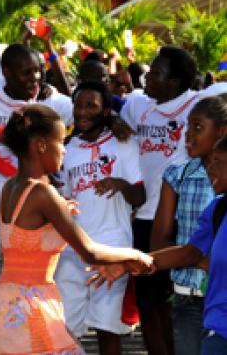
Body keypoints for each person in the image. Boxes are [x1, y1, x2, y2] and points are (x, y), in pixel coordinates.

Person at [0, 104, 153, 355]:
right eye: (60, 142)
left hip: (3, 308)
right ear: (41, 145)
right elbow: (89, 252)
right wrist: (135, 255)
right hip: (29, 312)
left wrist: (59, 211)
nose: (64, 151)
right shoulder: (42, 193)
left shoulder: (11, 187)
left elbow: (29, 236)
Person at [89, 134, 227, 355]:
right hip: (218, 331)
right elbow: (189, 253)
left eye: (218, 161)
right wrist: (128, 265)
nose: (210, 168)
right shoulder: (218, 210)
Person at [0, 43, 73, 300]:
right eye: (26, 73)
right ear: (5, 72)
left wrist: (116, 123)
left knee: (29, 294)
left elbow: (85, 109)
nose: (34, 78)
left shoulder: (49, 102)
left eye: (37, 71)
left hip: (34, 215)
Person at [55, 81, 145, 355]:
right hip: (74, 249)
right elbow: (64, 198)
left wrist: (120, 183)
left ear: (106, 110)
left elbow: (140, 197)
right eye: (78, 105)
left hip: (112, 247)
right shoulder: (67, 148)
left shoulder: (125, 143)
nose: (82, 112)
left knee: (107, 328)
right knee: (65, 329)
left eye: (91, 105)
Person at [151, 96, 227, 355]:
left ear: (222, 132)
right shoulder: (178, 176)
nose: (187, 135)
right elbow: (162, 243)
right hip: (190, 294)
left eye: (197, 127)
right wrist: (201, 260)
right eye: (187, 127)